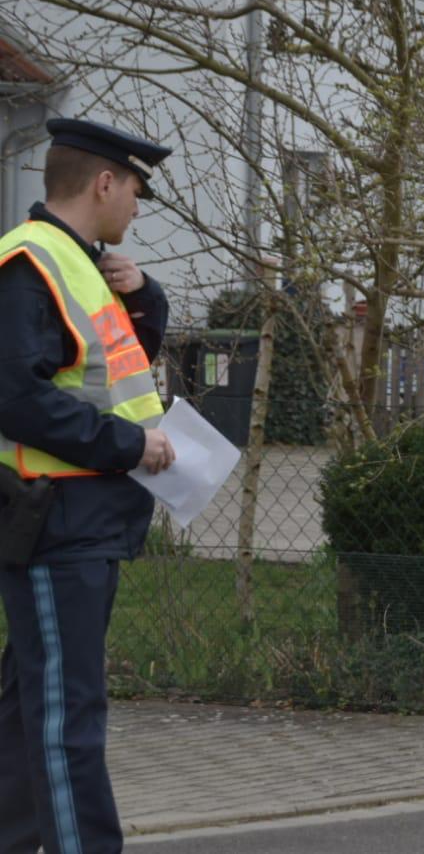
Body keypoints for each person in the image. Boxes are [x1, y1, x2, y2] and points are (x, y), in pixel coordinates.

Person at [0, 117, 176, 854]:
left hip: (82, 519)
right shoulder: (31, 263)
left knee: (28, 711)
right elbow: (16, 394)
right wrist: (129, 443)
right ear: (105, 182)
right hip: (56, 520)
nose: (137, 205)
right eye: (135, 188)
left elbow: (111, 365)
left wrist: (146, 298)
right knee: (65, 717)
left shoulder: (79, 261)